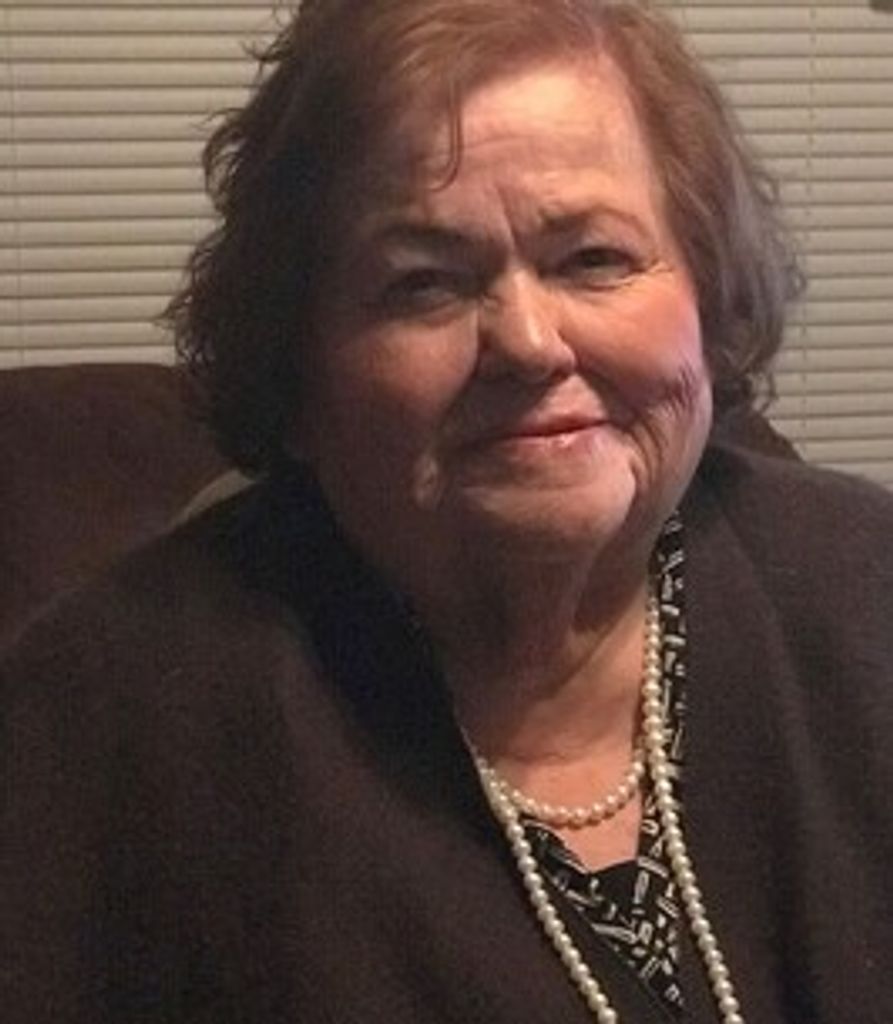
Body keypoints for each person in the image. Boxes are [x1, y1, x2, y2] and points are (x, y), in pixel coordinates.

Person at [2, 1, 892, 1021]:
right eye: (423, 283)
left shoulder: (862, 585)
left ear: (705, 290)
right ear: (300, 365)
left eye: (592, 258)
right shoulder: (109, 721)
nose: (528, 343)